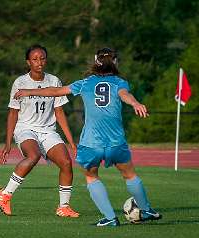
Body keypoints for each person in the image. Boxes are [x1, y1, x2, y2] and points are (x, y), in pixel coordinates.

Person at [14, 47, 162, 226]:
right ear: (115, 62)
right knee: (130, 174)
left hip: (91, 143)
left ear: (95, 61)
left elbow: (55, 91)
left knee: (92, 177)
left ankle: (110, 218)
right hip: (116, 141)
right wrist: (136, 103)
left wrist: (29, 92)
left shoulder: (85, 83)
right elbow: (125, 95)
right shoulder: (120, 82)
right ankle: (146, 209)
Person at [0, 44, 79, 217]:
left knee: (66, 163)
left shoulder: (54, 80)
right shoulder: (20, 82)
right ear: (28, 62)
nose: (39, 62)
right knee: (33, 156)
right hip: (25, 129)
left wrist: (71, 141)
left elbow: (59, 112)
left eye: (42, 58)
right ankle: (5, 194)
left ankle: (63, 207)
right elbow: (13, 113)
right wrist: (8, 142)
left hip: (48, 130)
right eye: (35, 59)